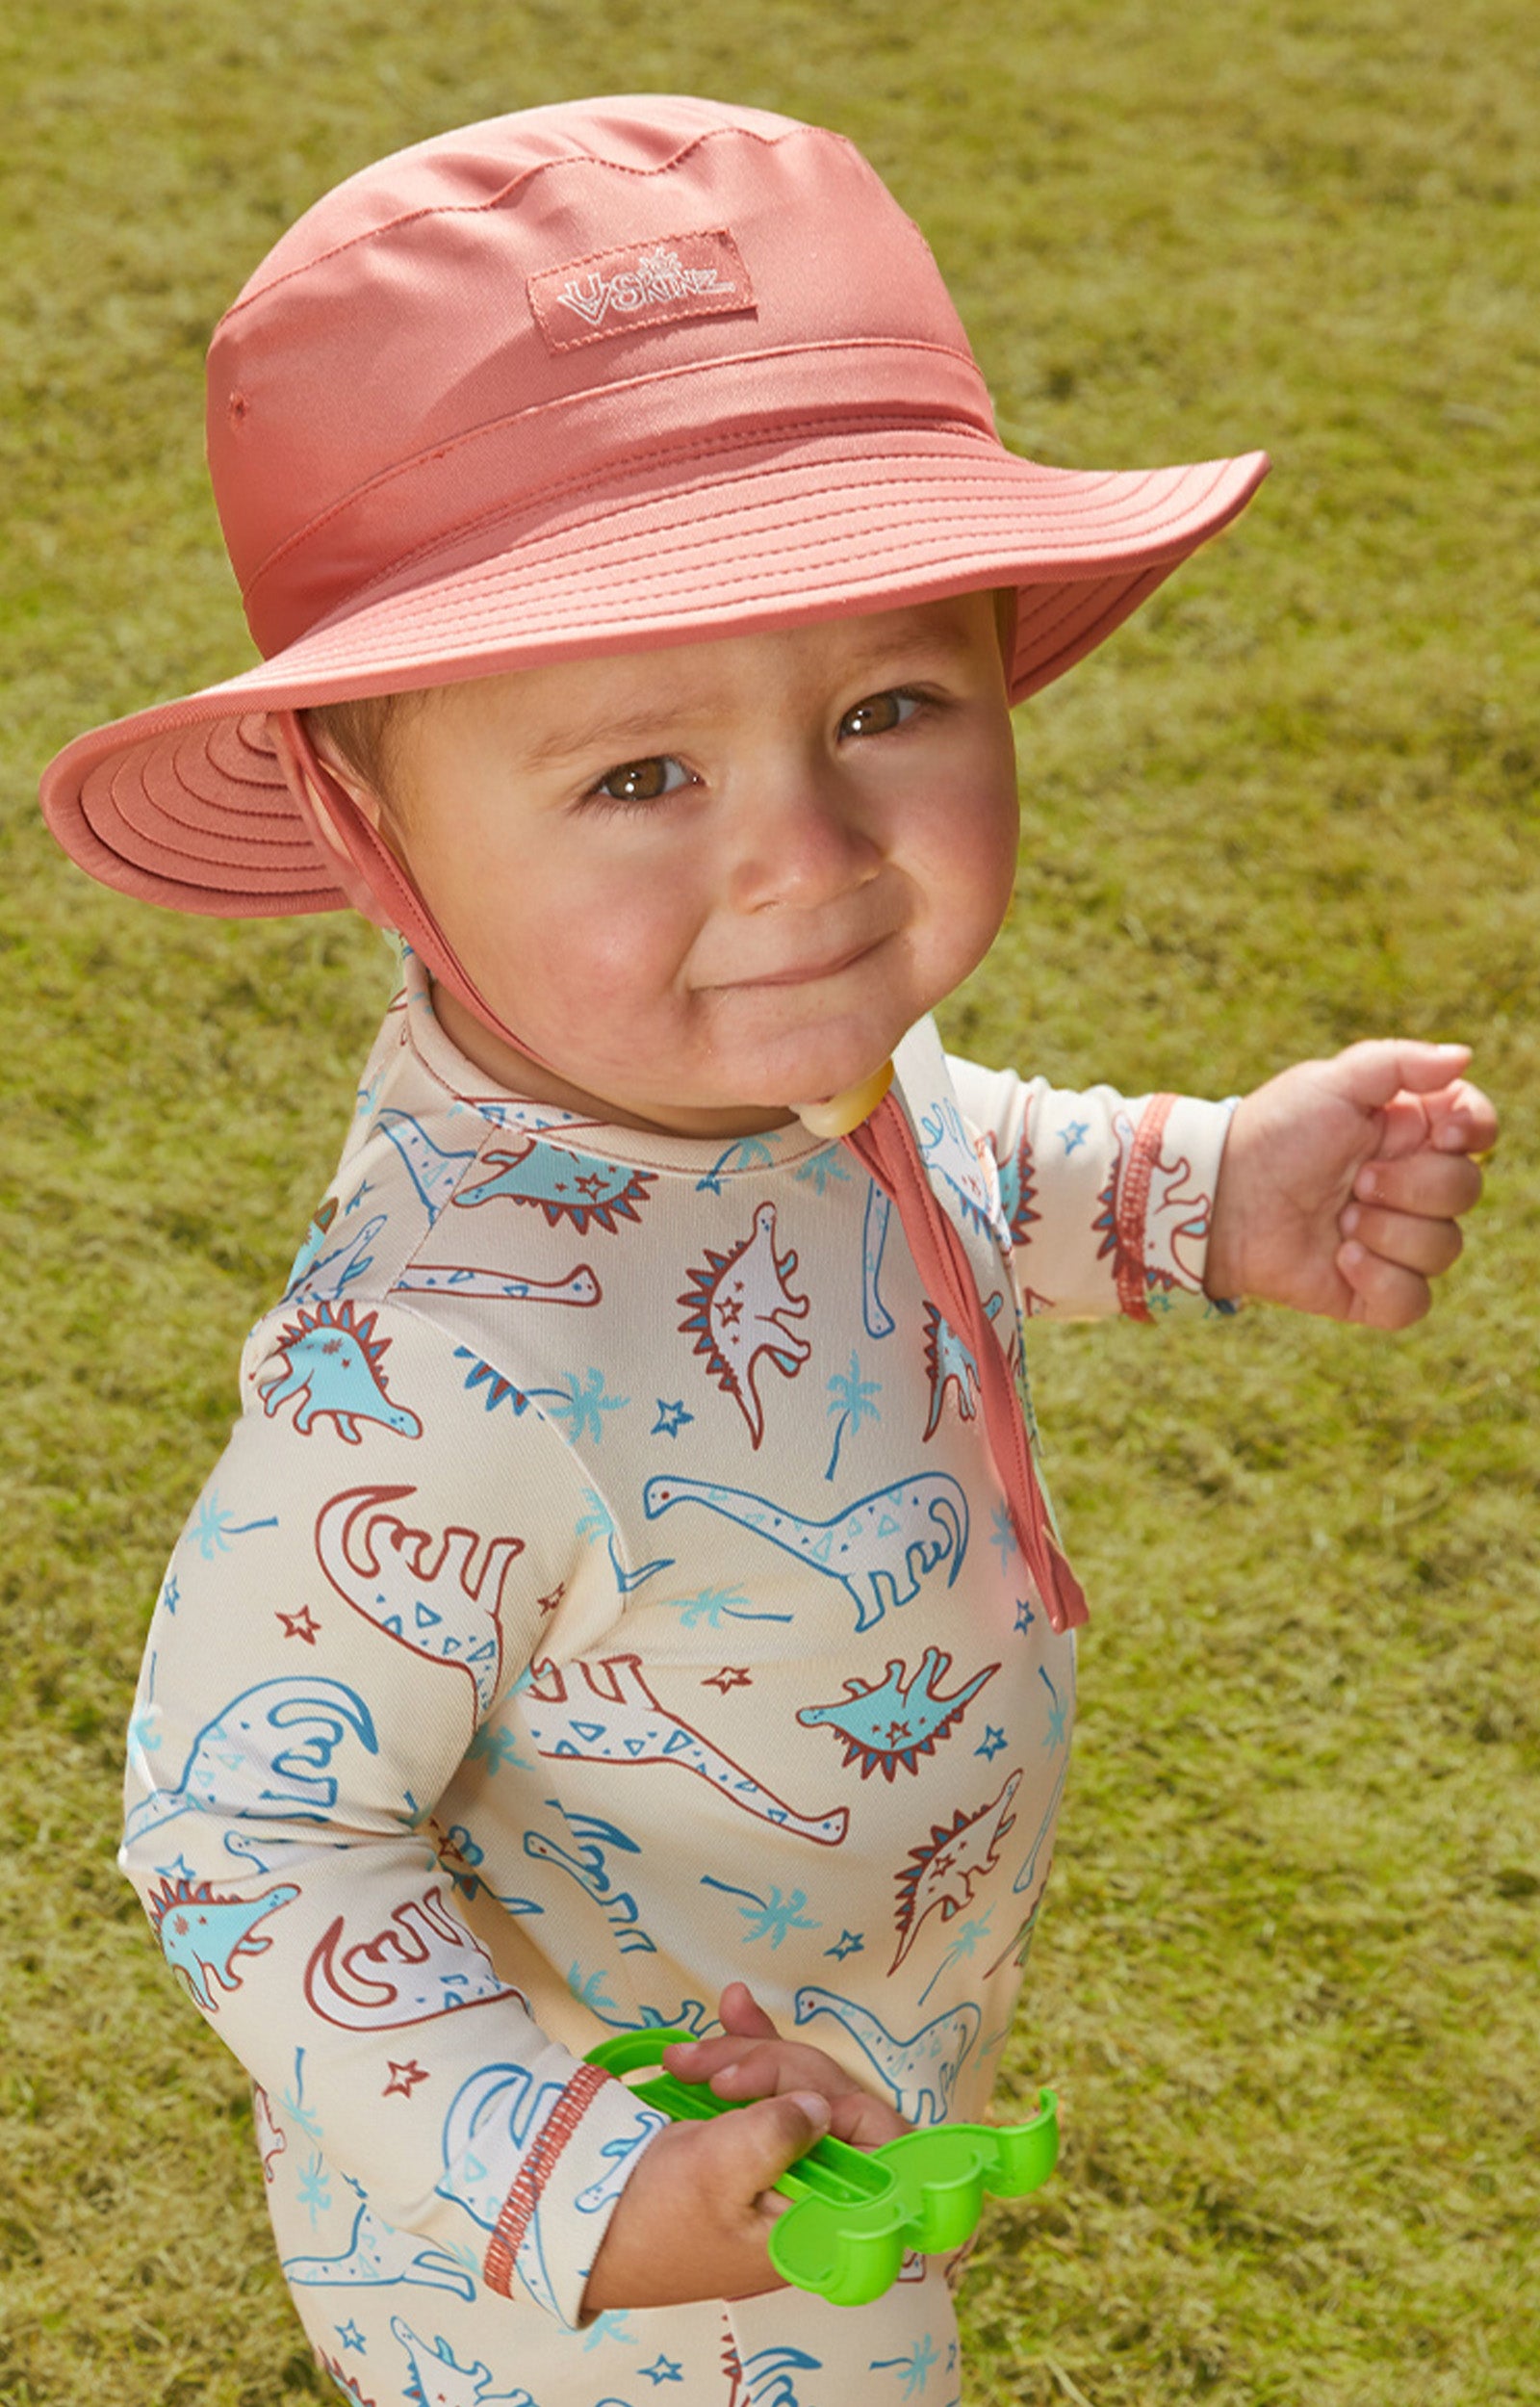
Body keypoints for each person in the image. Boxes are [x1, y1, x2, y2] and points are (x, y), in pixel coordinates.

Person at [39, 97, 1494, 2407]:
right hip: (614, 2253)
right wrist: (568, 2172)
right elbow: (240, 1821)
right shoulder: (440, 1368)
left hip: (850, 2062)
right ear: (356, 804)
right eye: (641, 775)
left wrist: (1212, 1190)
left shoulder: (748, 1077)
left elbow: (934, 1163)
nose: (807, 854)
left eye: (885, 707)